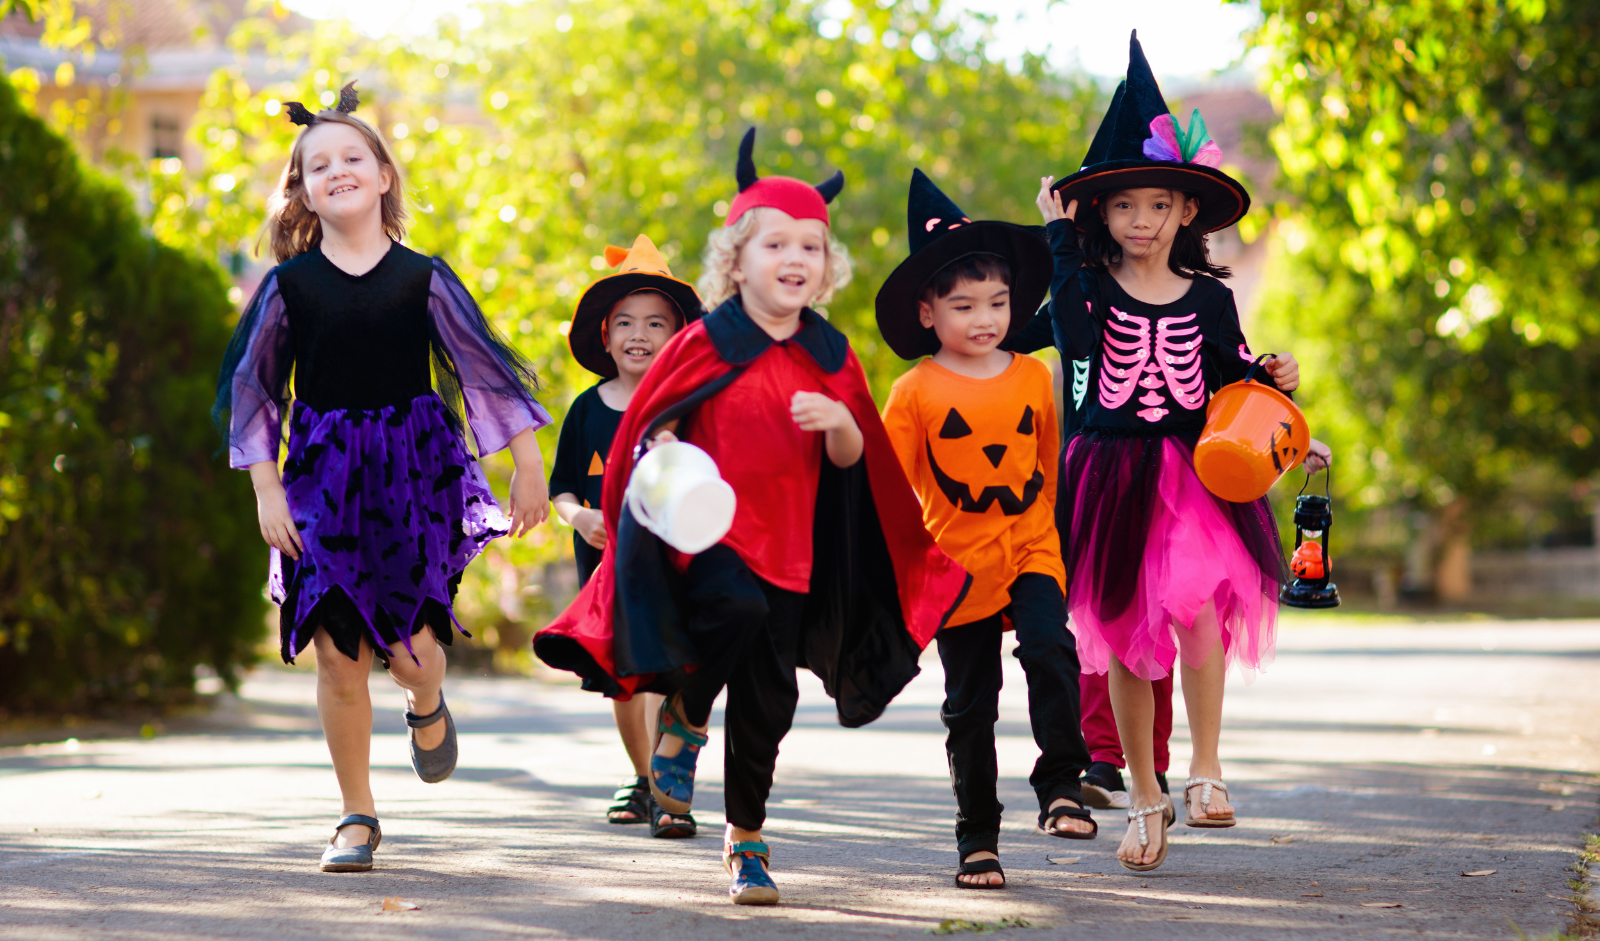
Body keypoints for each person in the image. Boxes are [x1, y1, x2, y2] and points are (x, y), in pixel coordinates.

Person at [534, 129, 969, 905]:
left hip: (795, 548)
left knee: (772, 698)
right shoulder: (703, 340)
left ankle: (746, 838)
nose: (795, 257)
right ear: (737, 259)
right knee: (732, 607)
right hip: (708, 539)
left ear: (826, 264)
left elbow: (853, 464)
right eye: (776, 243)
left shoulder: (830, 353)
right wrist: (662, 442)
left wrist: (837, 423)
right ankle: (689, 713)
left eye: (811, 244)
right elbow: (650, 429)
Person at [1007, 35, 1330, 872]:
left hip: (1191, 476)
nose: (1141, 221)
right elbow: (1073, 338)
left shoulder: (1213, 299)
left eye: (1157, 205)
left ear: (1187, 210)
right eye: (1122, 207)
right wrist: (1058, 243)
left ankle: (1206, 766)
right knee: (1122, 639)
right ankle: (1142, 790)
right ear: (1097, 216)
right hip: (1110, 476)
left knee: (1197, 616)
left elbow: (1232, 387)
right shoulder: (1086, 287)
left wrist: (1286, 406)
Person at [212, 83, 550, 873]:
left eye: (351, 156)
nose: (337, 170)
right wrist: (265, 488)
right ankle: (355, 814)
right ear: (300, 189)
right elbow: (254, 390)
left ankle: (425, 697)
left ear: (384, 174)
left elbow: (484, 372)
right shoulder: (287, 288)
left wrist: (526, 463)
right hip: (321, 480)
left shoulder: (422, 277)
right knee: (337, 652)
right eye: (317, 163)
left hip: (415, 474)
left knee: (411, 653)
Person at [876, 170, 1096, 890]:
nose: (985, 317)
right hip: (955, 563)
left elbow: (1049, 469)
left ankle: (1062, 779)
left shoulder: (1035, 375)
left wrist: (1061, 547)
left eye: (998, 303)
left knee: (1051, 650)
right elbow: (885, 491)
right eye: (964, 304)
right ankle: (978, 838)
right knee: (970, 704)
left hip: (1031, 545)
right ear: (929, 313)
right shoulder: (914, 392)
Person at [547, 234, 703, 837]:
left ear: (677, 337)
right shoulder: (588, 410)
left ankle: (668, 788)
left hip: (672, 564)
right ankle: (641, 775)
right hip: (606, 566)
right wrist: (579, 517)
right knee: (623, 679)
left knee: (669, 672)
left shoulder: (688, 407)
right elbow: (563, 488)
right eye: (627, 323)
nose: (639, 334)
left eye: (656, 323)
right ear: (606, 335)